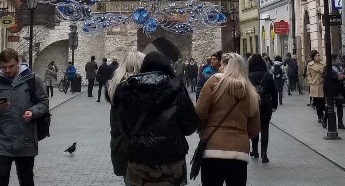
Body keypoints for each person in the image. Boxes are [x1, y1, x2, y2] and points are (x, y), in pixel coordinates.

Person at [110, 51, 198, 185]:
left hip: (139, 161)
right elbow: (190, 126)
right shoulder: (177, 87)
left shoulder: (129, 87)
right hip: (172, 162)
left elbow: (122, 127)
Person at [0, 48, 49, 186]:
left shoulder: (33, 80)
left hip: (25, 140)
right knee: (0, 181)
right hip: (1, 141)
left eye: (11, 66)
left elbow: (44, 103)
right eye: (4, 67)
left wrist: (32, 112)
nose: (7, 71)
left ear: (18, 62)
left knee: (26, 180)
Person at [195, 53, 261, 186]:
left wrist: (204, 130)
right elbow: (254, 129)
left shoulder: (214, 83)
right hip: (239, 154)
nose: (220, 69)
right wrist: (240, 135)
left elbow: (199, 113)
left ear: (226, 67)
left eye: (222, 65)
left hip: (213, 149)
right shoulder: (251, 92)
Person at [247, 53, 277, 163]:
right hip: (266, 104)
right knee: (265, 128)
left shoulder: (249, 76)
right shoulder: (267, 75)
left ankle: (254, 150)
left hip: (253, 104)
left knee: (255, 127)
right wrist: (274, 104)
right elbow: (274, 91)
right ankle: (264, 154)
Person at [329, 55, 345, 130]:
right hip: (331, 90)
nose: (338, 60)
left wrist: (344, 75)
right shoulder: (328, 68)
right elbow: (327, 76)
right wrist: (337, 77)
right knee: (329, 107)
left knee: (340, 106)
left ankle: (340, 123)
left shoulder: (340, 68)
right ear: (332, 60)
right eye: (336, 59)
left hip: (339, 89)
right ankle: (325, 119)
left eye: (338, 58)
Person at [306, 50, 325, 124]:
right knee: (317, 102)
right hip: (314, 84)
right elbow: (308, 74)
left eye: (318, 55)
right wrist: (310, 81)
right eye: (316, 56)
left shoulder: (323, 64)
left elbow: (326, 73)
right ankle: (319, 116)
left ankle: (321, 115)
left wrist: (322, 72)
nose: (317, 57)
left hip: (321, 84)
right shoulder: (310, 65)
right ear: (313, 57)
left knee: (322, 101)